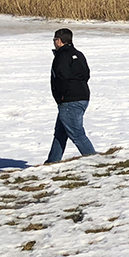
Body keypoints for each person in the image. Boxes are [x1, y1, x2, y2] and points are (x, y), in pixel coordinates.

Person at [47, 28, 96, 163]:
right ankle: (52, 162)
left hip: (69, 100)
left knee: (77, 134)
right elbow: (86, 74)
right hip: (82, 96)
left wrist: (61, 96)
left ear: (59, 41)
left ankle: (96, 161)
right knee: (60, 134)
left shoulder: (62, 56)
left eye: (54, 40)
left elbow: (61, 77)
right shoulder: (78, 54)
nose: (54, 43)